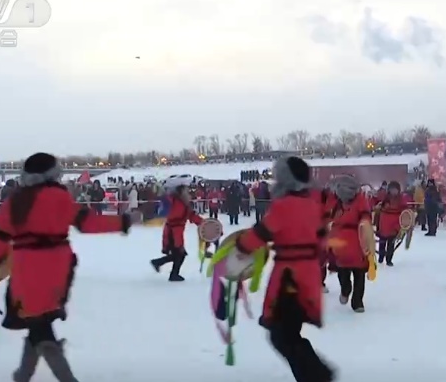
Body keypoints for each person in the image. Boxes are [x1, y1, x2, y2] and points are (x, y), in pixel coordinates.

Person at [0, 152, 131, 382]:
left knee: (38, 322)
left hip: (25, 267)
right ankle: (23, 375)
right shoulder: (59, 196)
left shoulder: (15, 201)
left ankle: (51, 377)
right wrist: (121, 222)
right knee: (40, 322)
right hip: (57, 267)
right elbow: (86, 222)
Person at [229, 157, 335, 382]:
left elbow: (259, 235)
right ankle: (317, 375)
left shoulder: (284, 206)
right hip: (307, 275)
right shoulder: (312, 205)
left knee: (282, 334)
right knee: (288, 332)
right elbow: (321, 238)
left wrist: (239, 246)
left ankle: (318, 376)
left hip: (290, 278)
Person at [327, 175, 372, 312]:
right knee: (343, 273)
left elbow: (365, 215)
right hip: (341, 244)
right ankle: (346, 290)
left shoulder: (360, 201)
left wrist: (364, 224)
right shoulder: (337, 204)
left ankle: (357, 301)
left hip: (358, 241)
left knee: (359, 274)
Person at [150, 182, 204, 282]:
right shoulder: (173, 200)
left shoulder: (185, 205)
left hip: (177, 232)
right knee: (179, 254)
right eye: (185, 191)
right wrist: (160, 192)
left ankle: (160, 264)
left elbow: (192, 216)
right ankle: (171, 273)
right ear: (180, 192)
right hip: (172, 233)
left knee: (178, 254)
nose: (188, 193)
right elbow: (164, 201)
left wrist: (203, 223)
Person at [375, 181, 405, 266]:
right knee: (382, 242)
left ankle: (389, 259)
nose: (394, 191)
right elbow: (377, 204)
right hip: (384, 223)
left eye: (395, 189)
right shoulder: (385, 198)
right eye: (392, 189)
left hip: (395, 223)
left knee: (391, 244)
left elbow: (404, 210)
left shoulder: (401, 199)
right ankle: (381, 257)